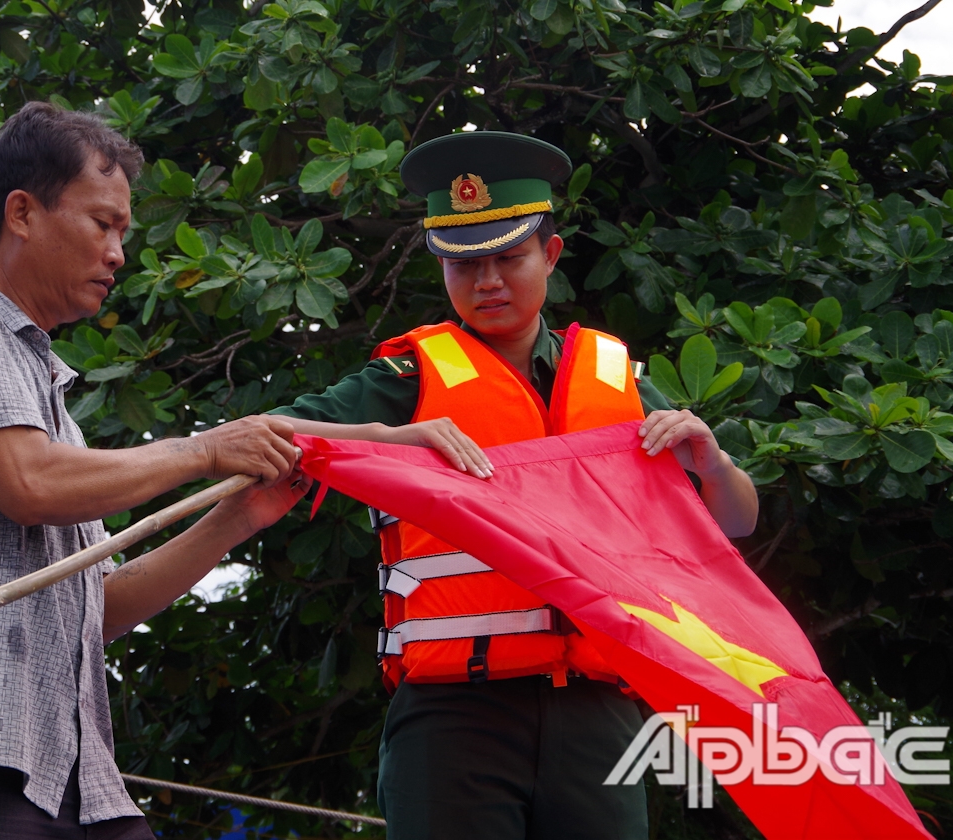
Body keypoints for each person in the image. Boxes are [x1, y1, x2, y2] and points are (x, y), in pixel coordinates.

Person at [268, 130, 758, 840]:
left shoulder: (616, 381)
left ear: (551, 256)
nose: (487, 281)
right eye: (465, 264)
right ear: (440, 267)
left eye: (508, 258)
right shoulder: (404, 378)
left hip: (599, 715)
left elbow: (736, 523)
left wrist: (712, 463)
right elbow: (261, 434)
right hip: (453, 717)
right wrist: (390, 437)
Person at [0, 102, 310, 840]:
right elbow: (28, 486)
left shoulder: (54, 405)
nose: (118, 254)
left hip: (77, 779)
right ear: (23, 213)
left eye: (123, 233)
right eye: (103, 224)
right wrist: (202, 450)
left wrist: (236, 517)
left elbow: (94, 609)